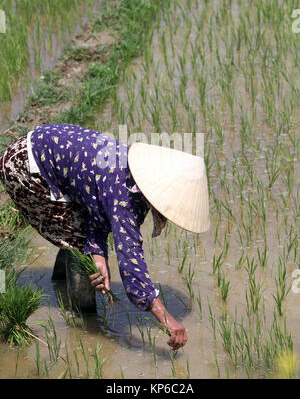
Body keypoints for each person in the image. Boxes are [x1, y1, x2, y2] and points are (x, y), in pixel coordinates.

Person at [0, 123, 209, 351]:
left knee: (81, 234)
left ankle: (60, 280)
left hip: (38, 149)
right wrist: (166, 318)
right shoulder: (123, 194)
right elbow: (131, 265)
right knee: (78, 242)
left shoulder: (133, 174)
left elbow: (95, 204)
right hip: (26, 168)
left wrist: (98, 251)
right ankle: (83, 318)